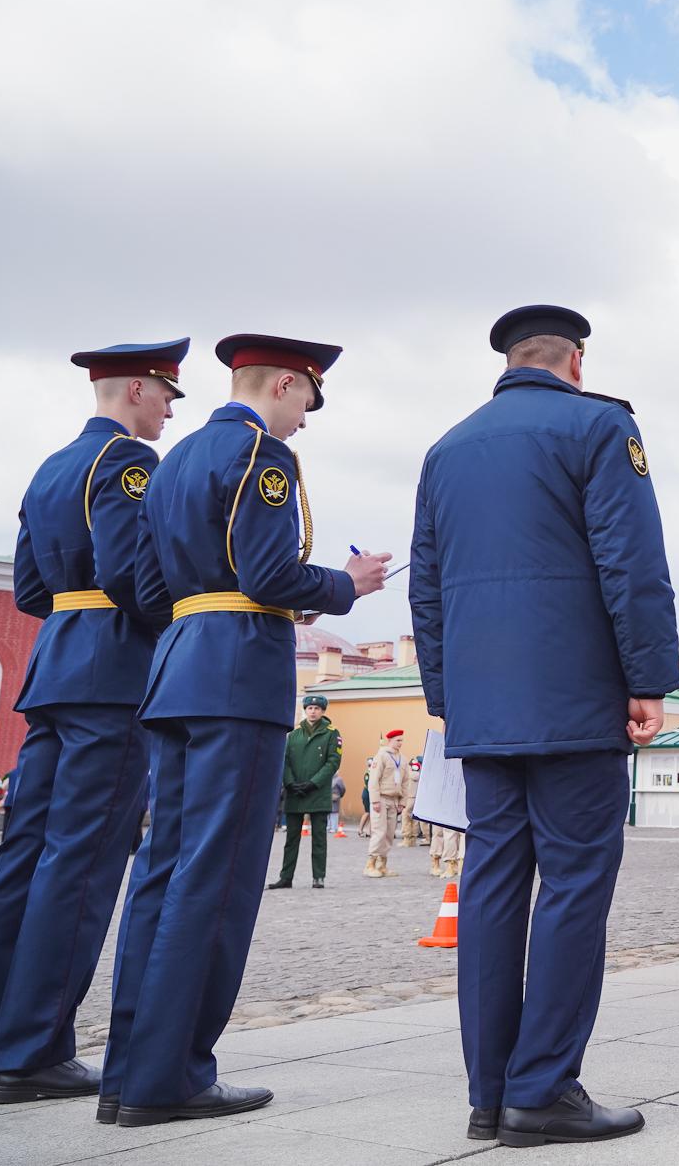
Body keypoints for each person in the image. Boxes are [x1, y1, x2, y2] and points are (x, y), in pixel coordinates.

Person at [101, 333, 389, 1127]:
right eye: (307, 402)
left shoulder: (173, 461)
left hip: (178, 668)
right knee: (218, 878)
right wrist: (347, 583)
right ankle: (173, 1075)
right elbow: (268, 575)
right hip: (237, 677)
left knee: (161, 872)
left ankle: (128, 1072)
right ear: (286, 385)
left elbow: (145, 588)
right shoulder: (264, 455)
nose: (305, 421)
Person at [410, 304, 678, 1147]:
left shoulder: (446, 448)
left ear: (509, 360)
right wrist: (648, 678)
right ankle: (543, 1089)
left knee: (490, 884)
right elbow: (631, 562)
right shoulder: (600, 427)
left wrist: (448, 696)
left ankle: (489, 1091)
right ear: (576, 361)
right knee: (573, 882)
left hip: (483, 709)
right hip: (575, 700)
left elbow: (426, 585)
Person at [0, 341, 186, 1111]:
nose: (170, 409)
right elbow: (130, 576)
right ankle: (34, 1051)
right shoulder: (128, 462)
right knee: (81, 861)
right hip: (111, 674)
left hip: (55, 665)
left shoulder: (51, 467)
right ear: (136, 389)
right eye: (166, 394)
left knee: (21, 855)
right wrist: (193, 613)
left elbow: (28, 588)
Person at [269, 696, 341, 890]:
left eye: (317, 708)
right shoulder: (294, 735)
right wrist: (290, 783)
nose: (313, 711)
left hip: (317, 793)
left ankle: (318, 877)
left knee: (319, 839)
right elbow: (284, 760)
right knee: (291, 839)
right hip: (295, 793)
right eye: (309, 708)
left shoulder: (331, 734)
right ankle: (286, 877)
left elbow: (333, 762)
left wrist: (313, 783)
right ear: (305, 710)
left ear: (323, 711)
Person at [366, 730, 408, 878]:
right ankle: (370, 864)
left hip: (394, 800)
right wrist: (375, 800)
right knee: (379, 831)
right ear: (390, 740)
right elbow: (374, 779)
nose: (400, 743)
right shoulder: (382, 756)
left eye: (402, 740)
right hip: (381, 798)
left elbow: (406, 782)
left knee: (389, 833)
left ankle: (382, 864)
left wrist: (403, 802)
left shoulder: (403, 759)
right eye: (398, 740)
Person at [328, 771, 347, 837]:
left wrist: (339, 795)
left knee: (333, 812)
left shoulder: (338, 779)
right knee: (333, 812)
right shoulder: (338, 779)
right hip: (333, 796)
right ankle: (332, 827)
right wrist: (339, 795)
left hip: (333, 797)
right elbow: (343, 789)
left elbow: (342, 789)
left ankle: (332, 827)